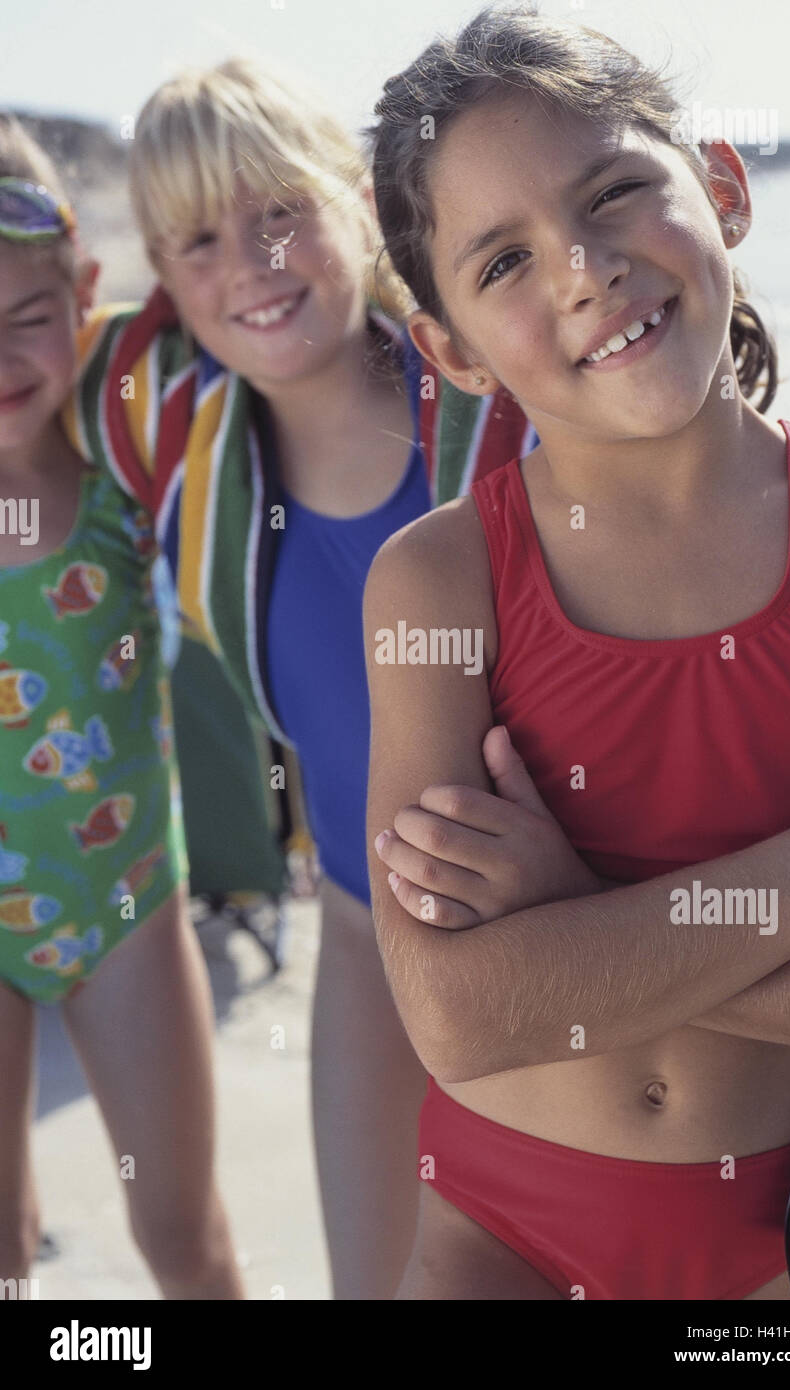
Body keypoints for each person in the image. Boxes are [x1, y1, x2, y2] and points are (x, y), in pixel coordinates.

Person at [363, 7, 790, 1300]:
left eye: (614, 193)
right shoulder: (438, 578)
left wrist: (567, 913)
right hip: (493, 1233)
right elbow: (459, 1015)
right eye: (501, 263)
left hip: (777, 1246)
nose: (580, 270)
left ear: (721, 187)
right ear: (448, 352)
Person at [61, 59, 536, 1299]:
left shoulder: (508, 412)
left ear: (359, 201)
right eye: (200, 239)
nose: (252, 266)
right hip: (363, 958)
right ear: (163, 281)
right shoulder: (164, 437)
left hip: (565, 947)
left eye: (280, 211)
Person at [0, 117, 243, 1298]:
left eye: (26, 317)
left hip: (128, 905)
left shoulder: (125, 454)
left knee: (186, 1242)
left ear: (84, 293)